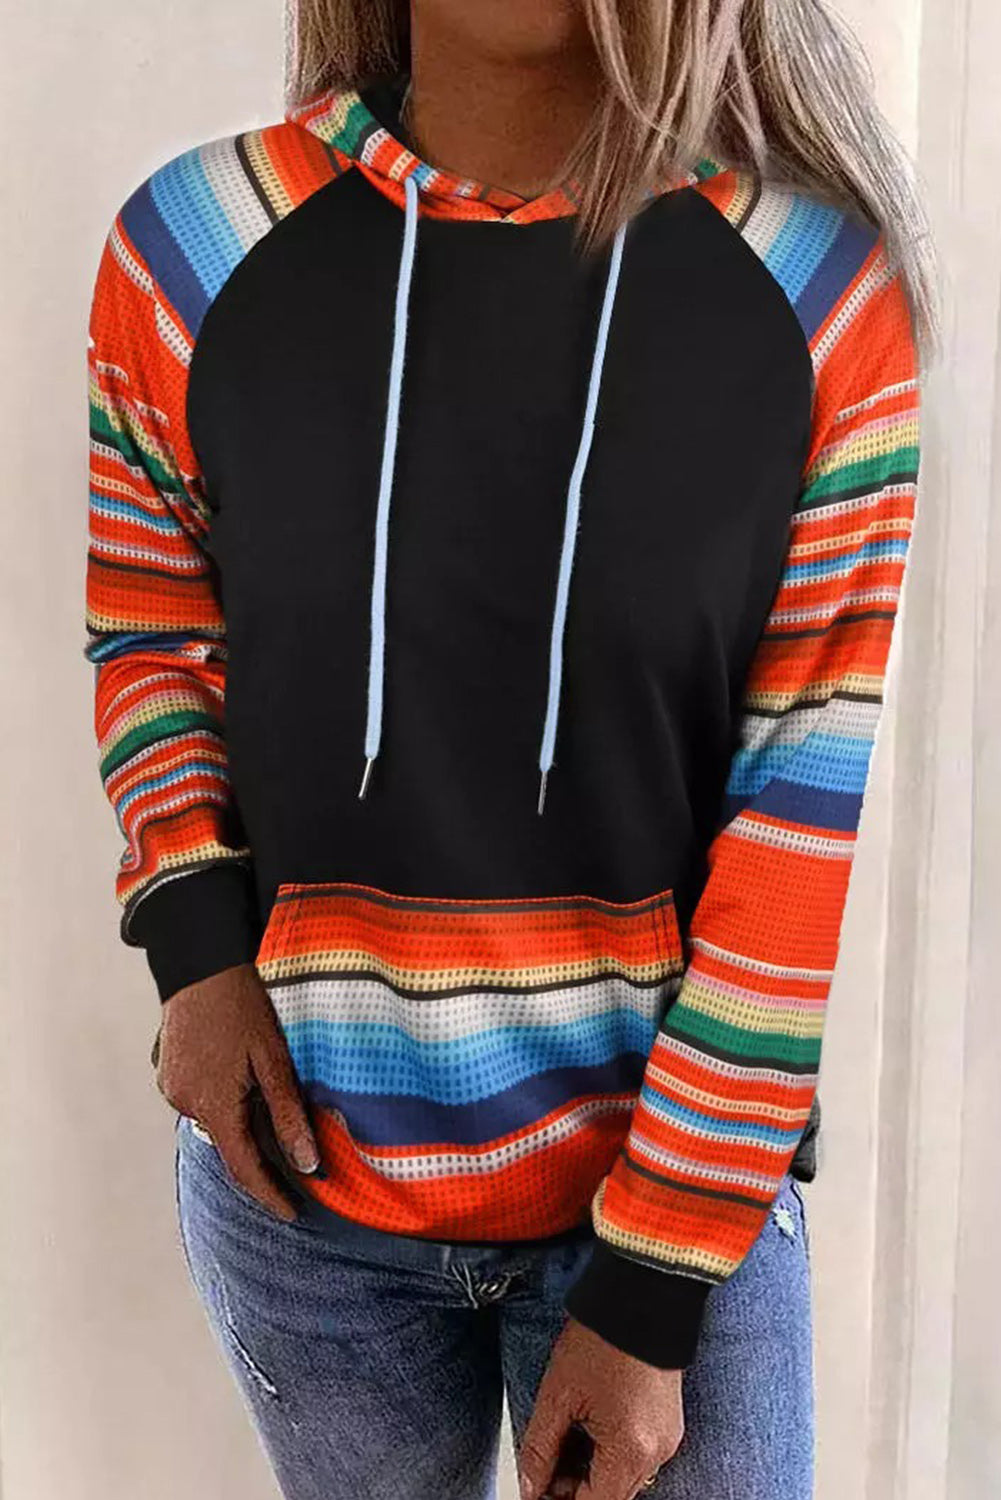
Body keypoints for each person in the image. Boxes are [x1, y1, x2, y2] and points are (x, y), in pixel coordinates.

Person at [83, 1, 933, 1496]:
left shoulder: (816, 296)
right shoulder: (193, 247)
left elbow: (795, 810)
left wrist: (653, 1285)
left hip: (670, 1207)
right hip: (304, 1201)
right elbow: (152, 624)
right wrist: (196, 955)